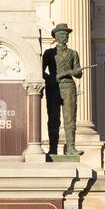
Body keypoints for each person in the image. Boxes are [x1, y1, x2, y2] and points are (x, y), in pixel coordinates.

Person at [42, 22, 82, 156]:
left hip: (69, 86)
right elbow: (40, 72)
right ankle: (53, 148)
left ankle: (71, 147)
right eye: (63, 34)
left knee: (70, 118)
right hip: (53, 87)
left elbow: (79, 73)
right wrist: (51, 78)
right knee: (53, 118)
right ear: (56, 36)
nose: (66, 37)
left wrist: (68, 72)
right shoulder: (49, 53)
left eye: (67, 34)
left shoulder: (73, 53)